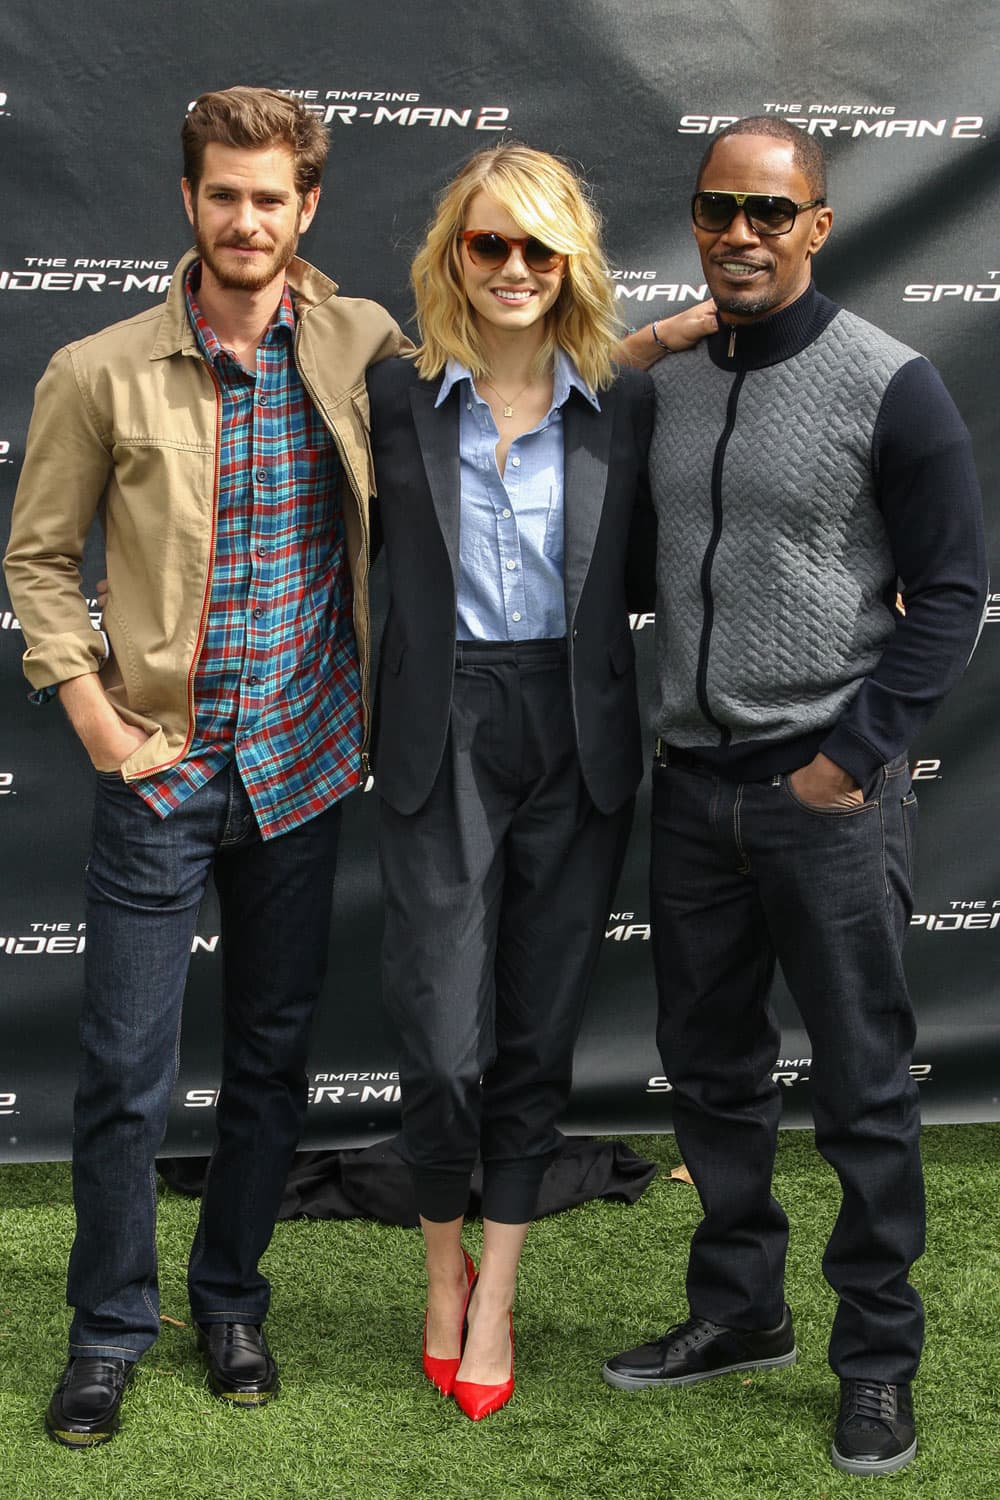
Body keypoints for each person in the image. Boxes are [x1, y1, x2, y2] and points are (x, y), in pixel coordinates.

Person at [3, 86, 408, 1447]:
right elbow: (38, 561)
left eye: (273, 196)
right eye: (224, 195)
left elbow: (513, 392)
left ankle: (232, 1298)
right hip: (162, 772)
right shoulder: (98, 369)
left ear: (309, 206)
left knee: (274, 1057)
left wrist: (641, 343)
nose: (248, 219)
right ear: (190, 203)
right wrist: (100, 722)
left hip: (303, 764)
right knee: (124, 1069)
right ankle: (111, 1329)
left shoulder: (362, 343)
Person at [603, 117, 988, 1476]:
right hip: (693, 790)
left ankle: (877, 1362)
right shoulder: (675, 384)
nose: (743, 235)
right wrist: (643, 346)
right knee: (711, 1079)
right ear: (696, 219)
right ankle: (739, 1313)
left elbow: (950, 598)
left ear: (818, 225)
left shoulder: (893, 383)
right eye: (719, 209)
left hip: (823, 795)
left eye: (773, 213)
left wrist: (851, 753)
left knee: (865, 1092)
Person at [366, 144, 713, 1421]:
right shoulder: (391, 394)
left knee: (534, 1032)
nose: (512, 269)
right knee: (443, 1039)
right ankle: (440, 1267)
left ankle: (494, 1295)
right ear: (452, 252)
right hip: (437, 724)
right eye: (487, 244)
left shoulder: (622, 405)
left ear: (570, 262)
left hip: (576, 730)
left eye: (538, 249)